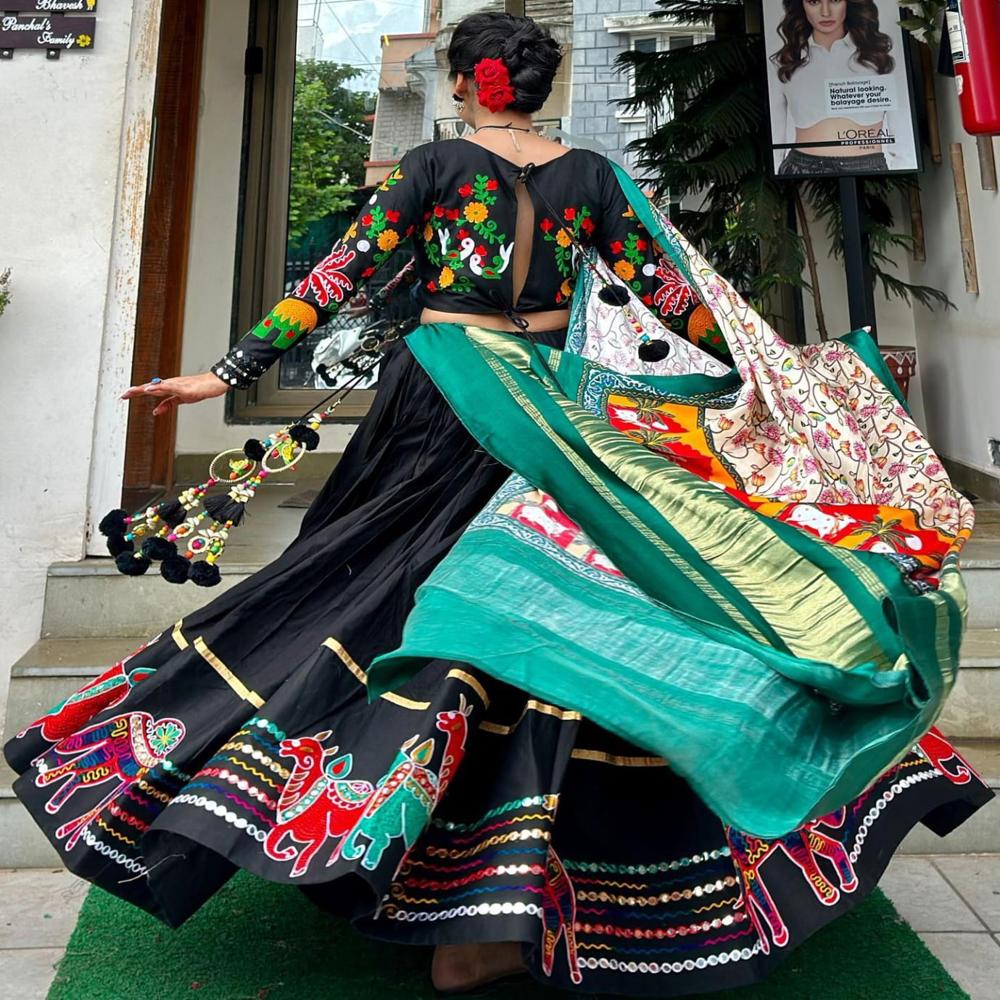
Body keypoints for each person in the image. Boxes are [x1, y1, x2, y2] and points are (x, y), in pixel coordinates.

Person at [3, 11, 990, 998]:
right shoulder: (591, 177)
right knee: (550, 624)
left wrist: (224, 376)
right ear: (540, 88)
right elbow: (671, 300)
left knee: (394, 607)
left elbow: (337, 280)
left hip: (443, 402)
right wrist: (762, 388)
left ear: (471, 84)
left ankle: (424, 886)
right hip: (554, 410)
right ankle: (509, 900)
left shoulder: (432, 168)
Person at [768, 0, 907, 176]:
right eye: (813, 1)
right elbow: (775, 134)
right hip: (800, 167)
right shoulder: (784, 62)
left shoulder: (880, 57)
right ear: (801, 5)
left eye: (834, 0)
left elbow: (903, 137)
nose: (825, 12)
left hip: (869, 167)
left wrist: (901, 170)